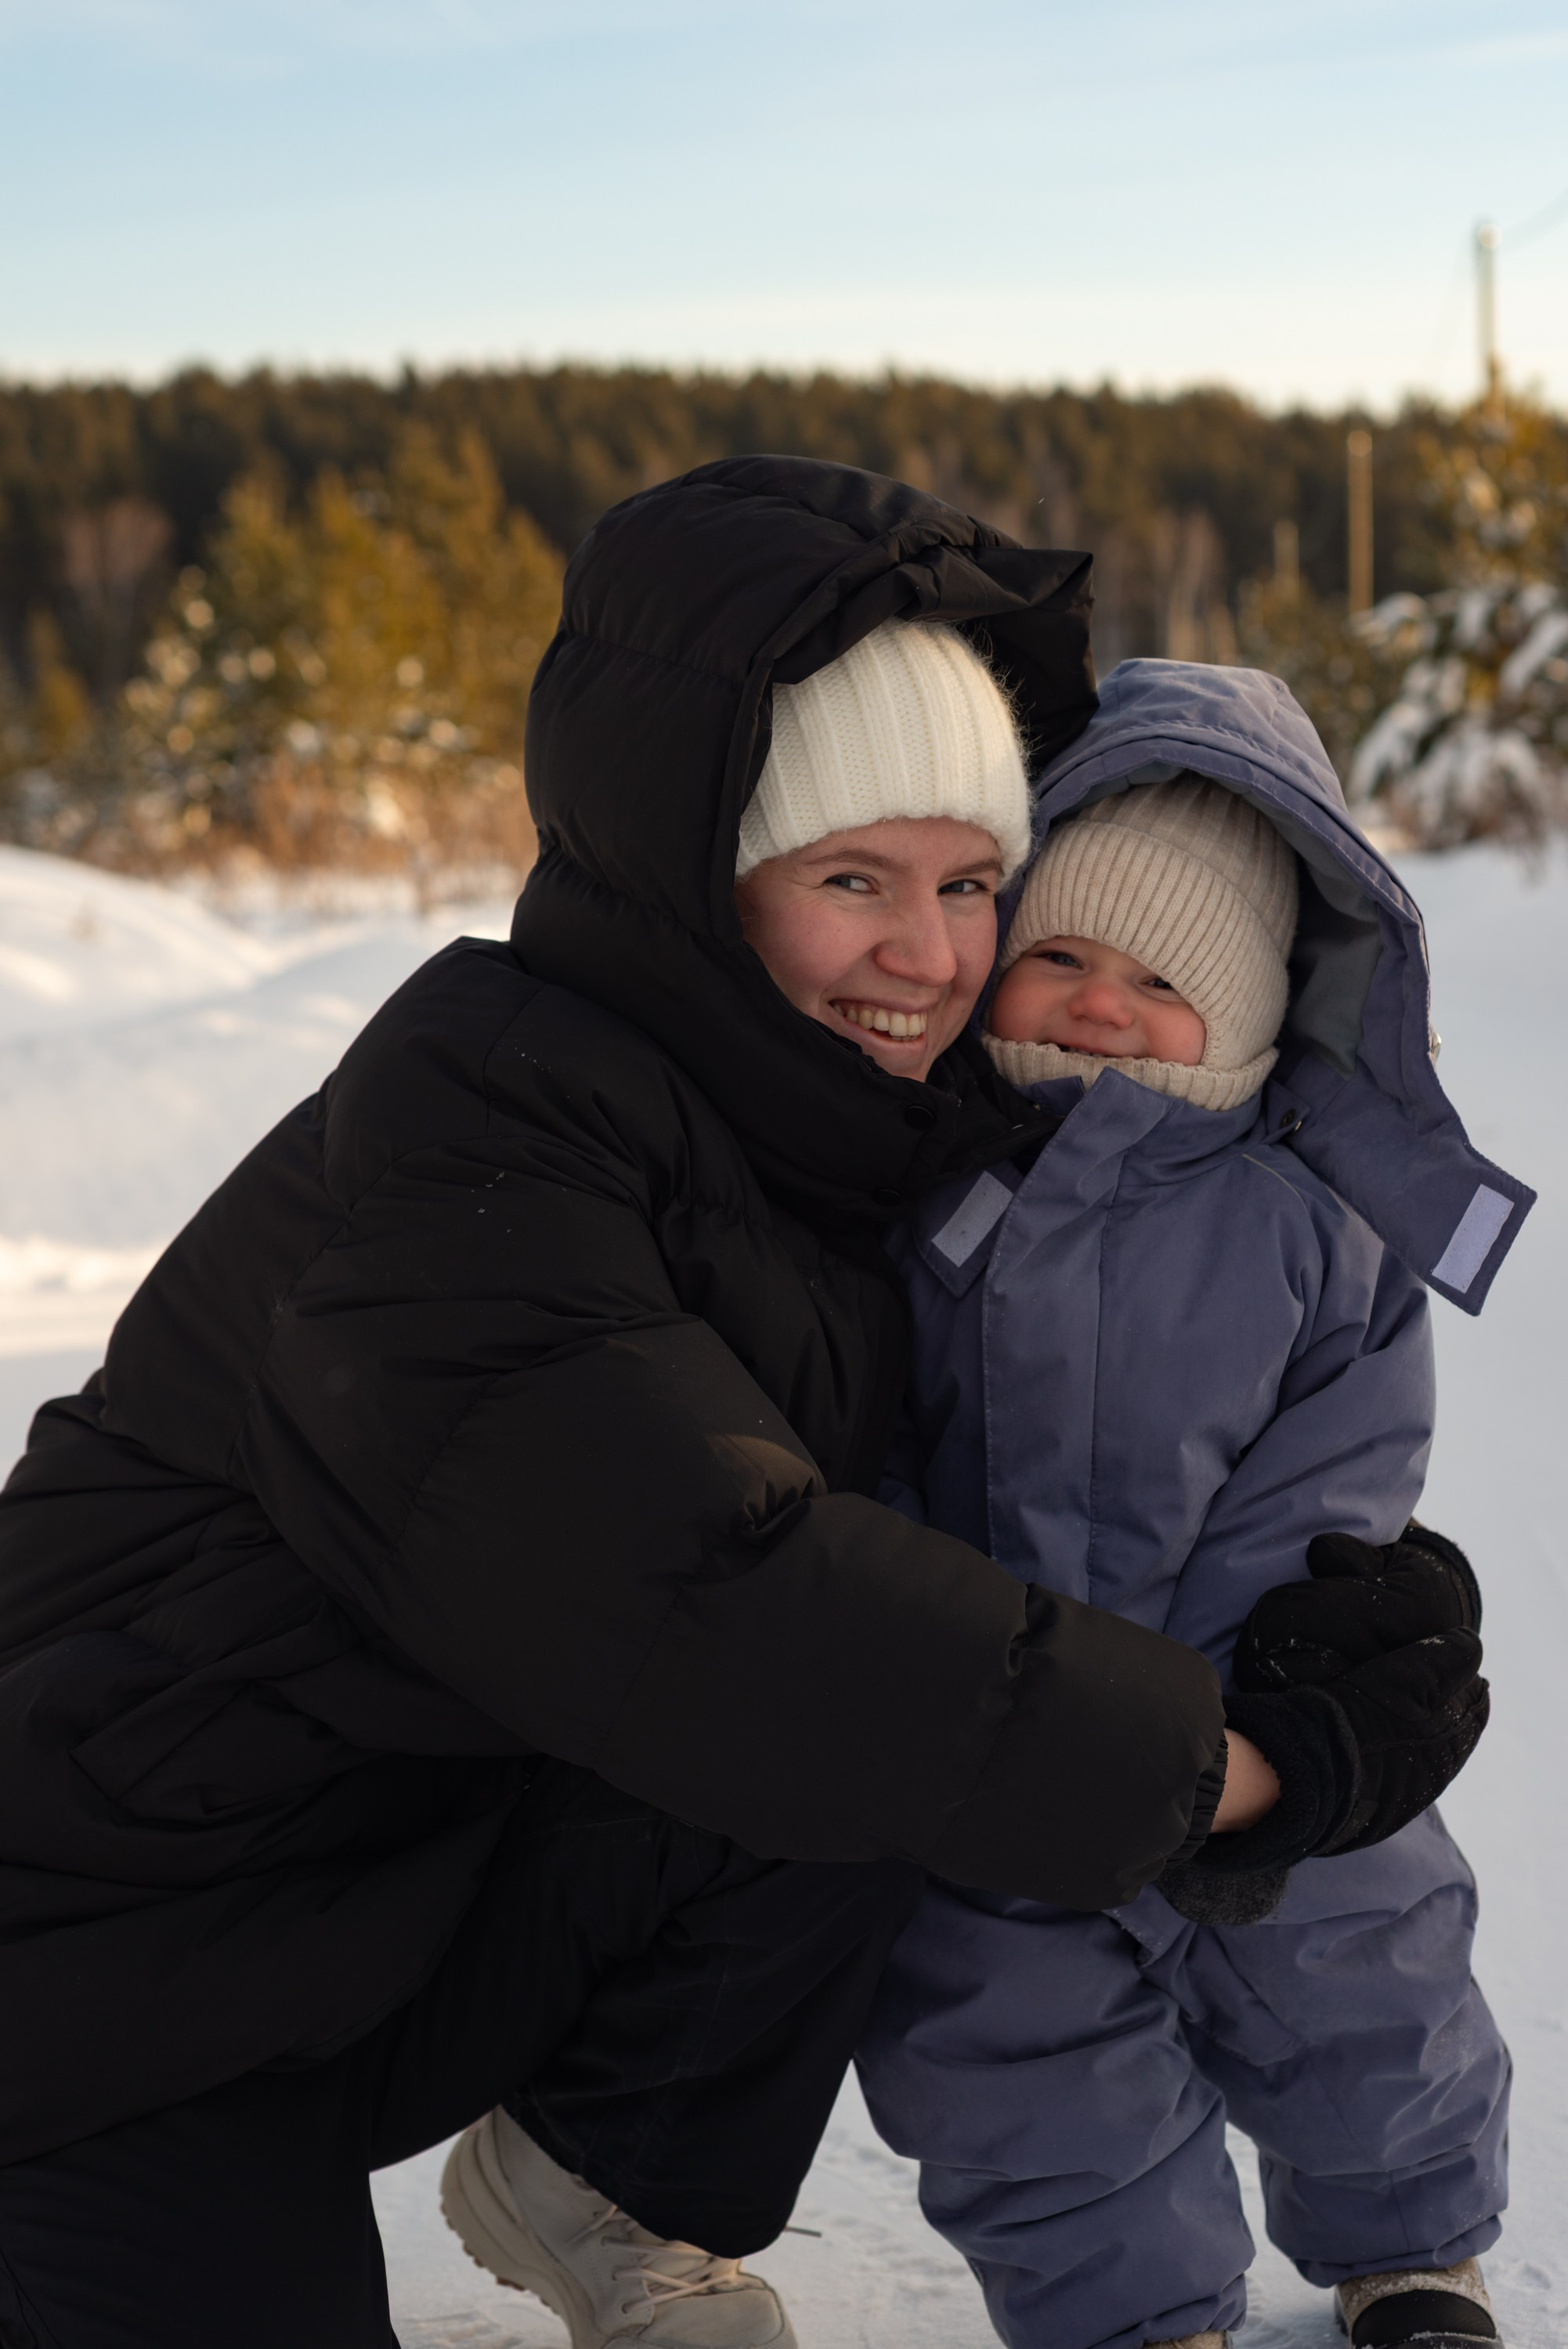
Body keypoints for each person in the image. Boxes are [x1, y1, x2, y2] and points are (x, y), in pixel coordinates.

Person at [0, 465, 1489, 2349]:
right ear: (696, 876)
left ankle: (594, 2169)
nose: (930, 955)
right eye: (849, 878)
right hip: (100, 1950)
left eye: (967, 884)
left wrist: (1326, 1581)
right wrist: (1248, 1763)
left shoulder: (837, 1121)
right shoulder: (480, 1131)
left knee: (888, 1692)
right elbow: (718, 1598)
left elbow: (1058, 1417)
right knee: (828, 1673)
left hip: (380, 1895)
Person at [856, 659, 1532, 2349]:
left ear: (1237, 1019)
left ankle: (1411, 2249)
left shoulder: (1310, 1227)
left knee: (1366, 1972)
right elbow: (861, 1434)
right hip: (984, 1742)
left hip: (1246, 1717)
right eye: (1058, 956)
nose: (1093, 1003)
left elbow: (1339, 1465)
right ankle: (1135, 2314)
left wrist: (1244, 1721)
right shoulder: (926, 1191)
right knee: (1006, 2044)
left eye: (1158, 979)